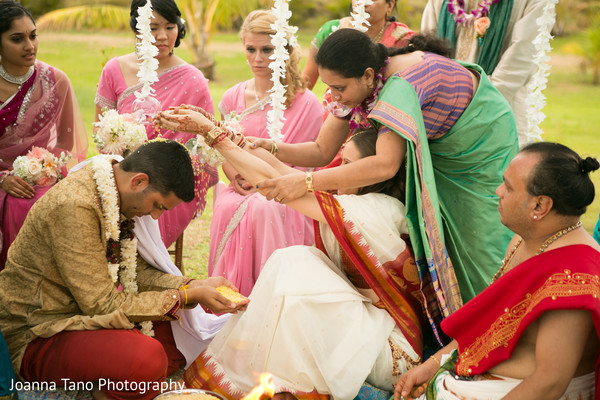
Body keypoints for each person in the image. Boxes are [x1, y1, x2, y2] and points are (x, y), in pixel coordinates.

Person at [251, 28, 519, 341]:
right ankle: (458, 336)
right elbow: (322, 151)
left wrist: (307, 182)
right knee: (445, 240)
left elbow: (384, 165)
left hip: (478, 146)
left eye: (339, 87)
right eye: (328, 86)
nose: (333, 96)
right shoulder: (359, 82)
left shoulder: (399, 88)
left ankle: (495, 337)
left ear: (367, 76)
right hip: (442, 142)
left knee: (477, 244)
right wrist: (269, 146)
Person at [155, 108, 425, 398]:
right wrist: (226, 133)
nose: (338, 170)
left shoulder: (375, 211)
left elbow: (273, 182)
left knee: (298, 268)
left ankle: (284, 388)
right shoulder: (352, 199)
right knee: (292, 264)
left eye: (347, 165)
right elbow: (280, 172)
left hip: (388, 352)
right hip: (359, 333)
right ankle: (271, 385)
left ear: (370, 173)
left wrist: (213, 135)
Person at [0, 140, 248, 400]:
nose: (154, 216)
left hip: (82, 315)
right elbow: (101, 305)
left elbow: (136, 273)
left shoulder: (113, 191)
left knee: (179, 333)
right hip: (40, 332)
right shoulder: (75, 206)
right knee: (148, 359)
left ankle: (110, 379)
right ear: (139, 182)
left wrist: (191, 285)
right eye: (158, 205)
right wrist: (184, 298)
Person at [395, 142, 600, 400]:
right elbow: (490, 323)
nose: (498, 191)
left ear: (540, 206)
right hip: (478, 379)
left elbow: (550, 383)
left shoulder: (574, 277)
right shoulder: (523, 241)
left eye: (509, 187)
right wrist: (433, 365)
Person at [209, 10, 323, 296]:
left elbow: (307, 164)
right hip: (242, 185)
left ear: (283, 51)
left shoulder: (306, 102)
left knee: (264, 207)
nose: (258, 58)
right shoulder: (232, 97)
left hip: (286, 188)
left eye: (267, 50)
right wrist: (234, 172)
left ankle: (268, 297)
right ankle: (228, 297)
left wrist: (263, 181)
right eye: (251, 49)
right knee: (225, 203)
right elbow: (224, 152)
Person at [95, 0, 217, 249]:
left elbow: (205, 143)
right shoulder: (114, 69)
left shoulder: (193, 79)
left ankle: (146, 267)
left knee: (157, 197)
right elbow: (101, 131)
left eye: (170, 27)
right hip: (122, 173)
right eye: (153, 27)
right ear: (137, 29)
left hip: (167, 181)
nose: (162, 36)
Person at [0, 0, 88, 270]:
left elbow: (64, 144)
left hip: (37, 177)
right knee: (16, 203)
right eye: (18, 39)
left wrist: (40, 171)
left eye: (33, 35)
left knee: (39, 203)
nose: (30, 46)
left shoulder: (54, 80)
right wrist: (3, 178)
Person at [421, 0, 547, 145]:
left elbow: (521, 57)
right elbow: (428, 49)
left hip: (498, 110)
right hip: (442, 116)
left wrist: (474, 106)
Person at [302, 0, 415, 91]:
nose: (364, 3)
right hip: (335, 111)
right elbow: (306, 83)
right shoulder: (331, 31)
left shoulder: (404, 39)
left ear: (389, 5)